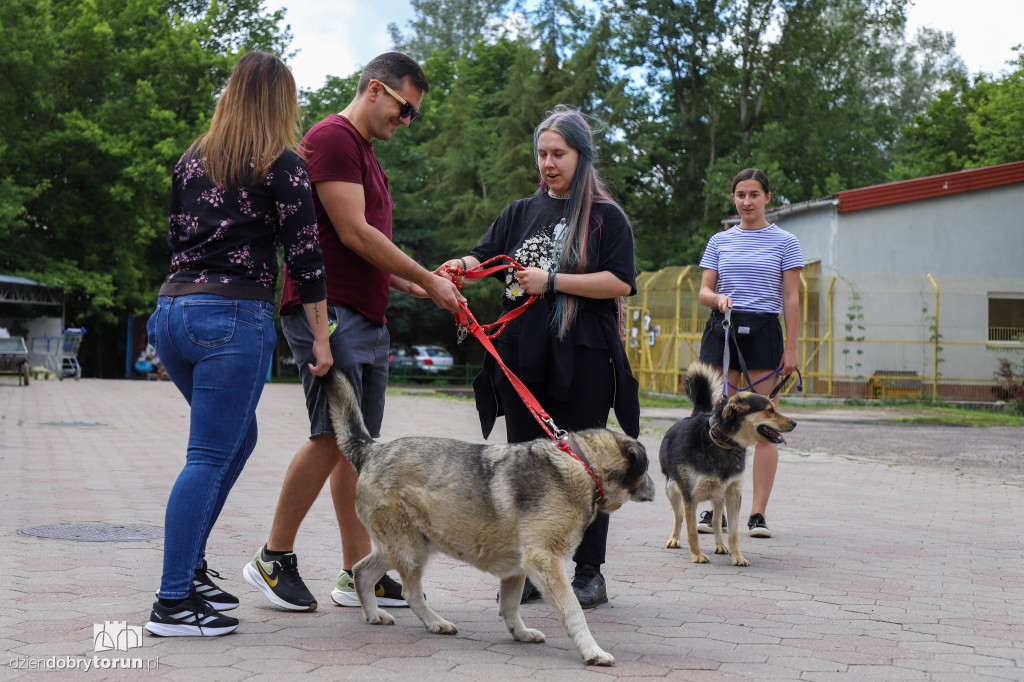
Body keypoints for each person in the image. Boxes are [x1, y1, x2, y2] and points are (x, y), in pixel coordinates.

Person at [243, 52, 465, 612]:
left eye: (414, 115)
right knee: (329, 436)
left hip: (367, 313)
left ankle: (355, 572)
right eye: (405, 109)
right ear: (375, 89)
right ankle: (274, 557)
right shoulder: (333, 138)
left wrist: (414, 284)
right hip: (328, 312)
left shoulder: (365, 153)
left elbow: (368, 247)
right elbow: (353, 231)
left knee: (357, 452)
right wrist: (424, 280)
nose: (406, 121)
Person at [144, 51, 333, 637]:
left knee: (236, 438)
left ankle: (191, 569)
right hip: (231, 316)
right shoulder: (282, 164)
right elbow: (306, 260)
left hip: (171, 313)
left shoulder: (190, 160)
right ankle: (172, 603)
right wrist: (321, 342)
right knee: (207, 455)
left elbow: (176, 236)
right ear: (281, 102)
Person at [440, 105, 640, 609]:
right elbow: (485, 254)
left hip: (585, 356)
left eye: (559, 154)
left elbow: (619, 282)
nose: (548, 163)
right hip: (522, 359)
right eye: (542, 153)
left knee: (586, 467)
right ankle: (529, 568)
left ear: (581, 156)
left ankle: (589, 572)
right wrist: (461, 265)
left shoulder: (605, 217)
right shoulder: (519, 211)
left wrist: (551, 281)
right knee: (525, 465)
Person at [696, 168, 803, 539]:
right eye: (740, 194)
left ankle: (757, 514)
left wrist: (791, 347)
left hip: (764, 332)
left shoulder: (786, 242)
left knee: (763, 423)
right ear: (734, 198)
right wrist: (718, 298)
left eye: (754, 194)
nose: (747, 201)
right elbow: (704, 291)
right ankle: (714, 511)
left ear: (767, 198)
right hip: (723, 329)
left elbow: (791, 297)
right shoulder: (719, 241)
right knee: (718, 419)